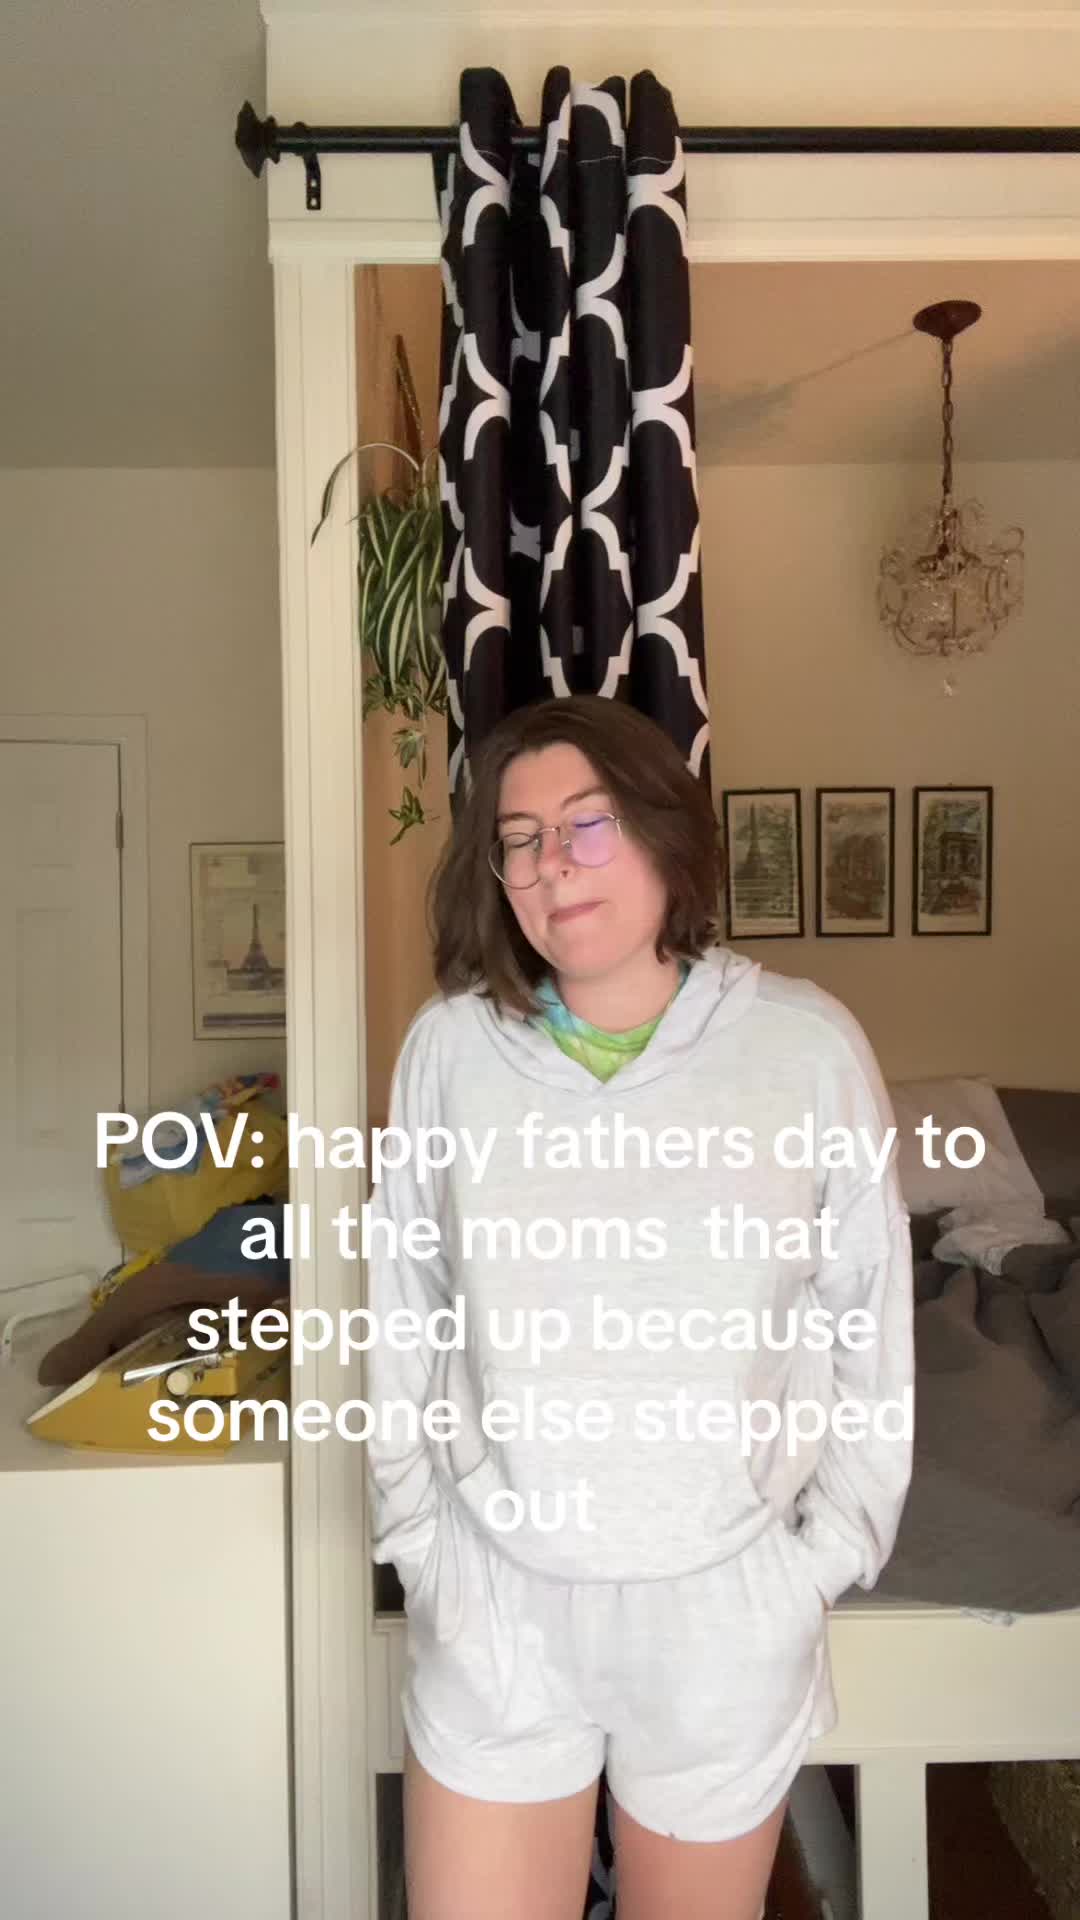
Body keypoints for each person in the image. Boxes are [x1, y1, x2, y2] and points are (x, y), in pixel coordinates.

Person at [364, 694, 914, 1920]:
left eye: (588, 823)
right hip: (497, 1606)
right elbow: (404, 1309)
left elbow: (868, 1325)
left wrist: (822, 1562)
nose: (552, 865)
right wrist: (421, 1546)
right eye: (519, 839)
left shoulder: (806, 1050)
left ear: (665, 832)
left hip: (721, 1615)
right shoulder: (450, 1053)